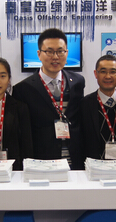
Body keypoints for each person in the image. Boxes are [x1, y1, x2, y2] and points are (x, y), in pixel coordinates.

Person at [12, 28, 85, 169]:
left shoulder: (78, 82)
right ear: (39, 54)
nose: (55, 57)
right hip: (42, 163)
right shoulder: (23, 89)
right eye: (49, 52)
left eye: (60, 51)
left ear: (67, 53)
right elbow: (23, 132)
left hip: (74, 159)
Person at [81, 54, 116, 163]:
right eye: (103, 71)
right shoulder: (84, 104)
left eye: (113, 72)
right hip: (94, 166)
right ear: (96, 74)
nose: (108, 76)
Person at [0, 57, 33, 170]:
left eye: (2, 76)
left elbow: (26, 145)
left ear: (9, 79)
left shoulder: (20, 107)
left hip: (14, 168)